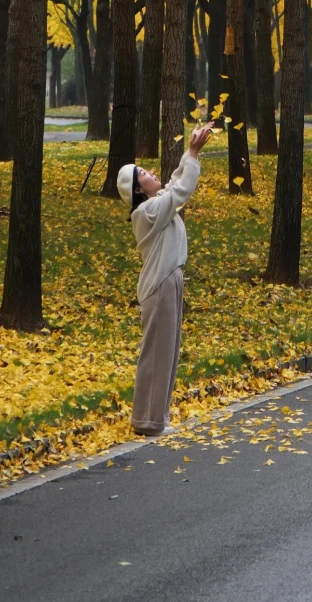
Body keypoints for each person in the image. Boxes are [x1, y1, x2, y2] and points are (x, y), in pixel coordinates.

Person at [117, 123, 213, 436]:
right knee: (156, 354)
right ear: (136, 188)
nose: (151, 172)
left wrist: (189, 152)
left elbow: (173, 185)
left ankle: (157, 418)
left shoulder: (156, 203)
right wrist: (194, 154)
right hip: (159, 285)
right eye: (143, 172)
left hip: (169, 280)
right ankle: (148, 421)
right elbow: (180, 191)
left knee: (167, 352)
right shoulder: (146, 212)